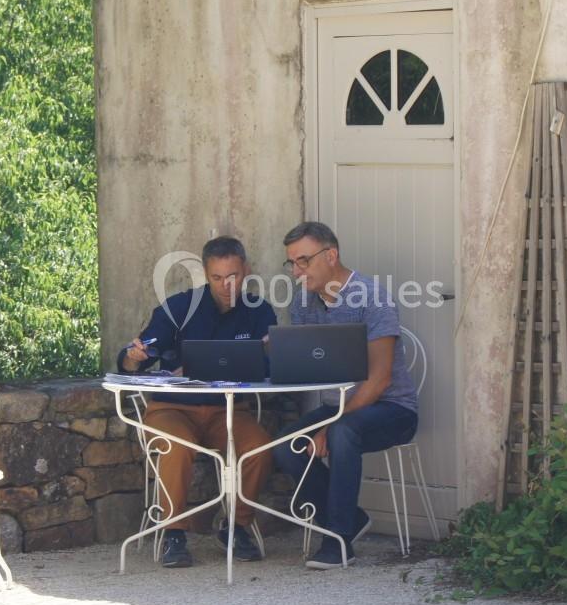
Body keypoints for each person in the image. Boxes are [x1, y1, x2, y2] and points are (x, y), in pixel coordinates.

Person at [118, 236, 276, 567]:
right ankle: (173, 534)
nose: (226, 285)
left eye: (232, 276)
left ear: (246, 271)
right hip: (172, 409)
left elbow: (270, 368)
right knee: (175, 446)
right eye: (217, 277)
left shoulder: (259, 311)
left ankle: (237, 527)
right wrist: (134, 357)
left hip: (229, 410)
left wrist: (267, 353)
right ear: (205, 274)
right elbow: (139, 356)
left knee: (259, 447)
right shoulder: (179, 307)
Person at [271, 221, 419, 569]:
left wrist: (328, 426)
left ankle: (337, 540)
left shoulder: (372, 297)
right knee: (285, 445)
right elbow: (308, 366)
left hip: (392, 409)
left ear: (331, 255)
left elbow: (380, 380)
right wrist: (276, 351)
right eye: (292, 262)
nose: (296, 271)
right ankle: (351, 518)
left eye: (304, 260)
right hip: (339, 409)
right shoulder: (303, 303)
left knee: (341, 432)